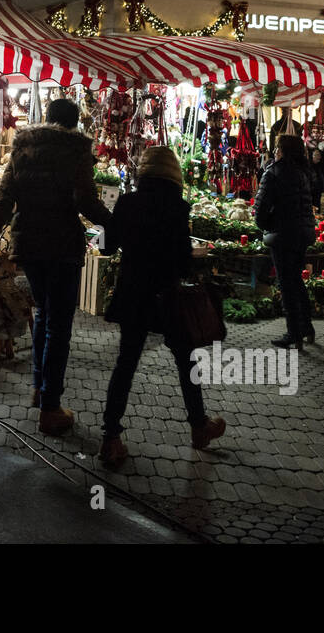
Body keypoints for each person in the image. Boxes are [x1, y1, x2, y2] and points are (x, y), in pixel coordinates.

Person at [0, 97, 114, 436]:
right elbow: (86, 200)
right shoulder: (75, 151)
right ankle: (51, 407)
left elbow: (3, 199)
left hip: (30, 246)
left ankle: (40, 390)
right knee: (59, 324)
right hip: (62, 247)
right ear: (72, 125)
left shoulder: (23, 150)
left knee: (42, 314)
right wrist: (115, 223)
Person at [98, 145, 225, 468]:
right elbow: (183, 262)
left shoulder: (128, 203)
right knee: (186, 362)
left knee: (125, 364)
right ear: (173, 173)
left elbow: (108, 245)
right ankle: (199, 427)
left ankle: (110, 438)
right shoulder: (177, 207)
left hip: (133, 294)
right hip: (168, 297)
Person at [255, 134, 318, 350]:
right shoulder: (304, 173)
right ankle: (306, 327)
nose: (274, 152)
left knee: (286, 282)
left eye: (276, 148)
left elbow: (260, 209)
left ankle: (294, 333)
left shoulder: (273, 173)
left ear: (283, 150)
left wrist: (265, 225)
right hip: (303, 233)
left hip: (282, 234)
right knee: (296, 280)